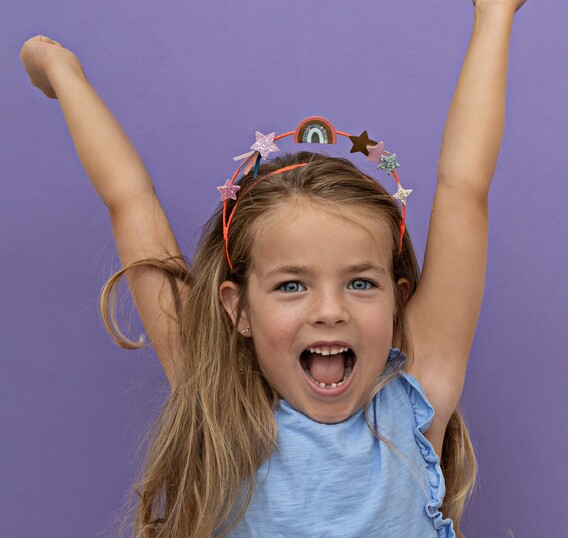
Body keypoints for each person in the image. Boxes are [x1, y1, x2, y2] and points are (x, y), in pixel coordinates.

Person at [20, 0, 526, 536]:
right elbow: (129, 199)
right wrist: (62, 72)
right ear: (238, 308)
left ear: (398, 299)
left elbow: (464, 188)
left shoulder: (416, 401)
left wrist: (494, 15)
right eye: (291, 285)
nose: (329, 310)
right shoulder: (219, 405)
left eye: (360, 282)